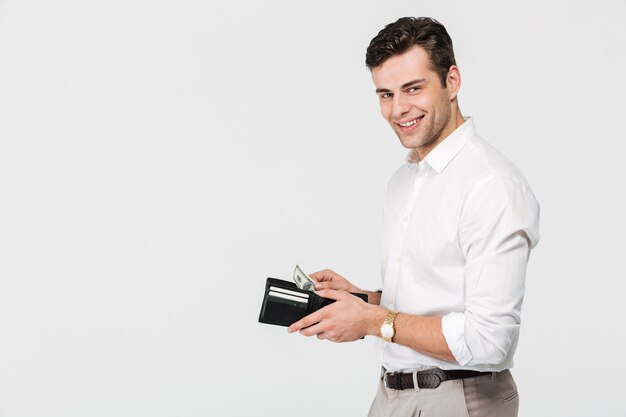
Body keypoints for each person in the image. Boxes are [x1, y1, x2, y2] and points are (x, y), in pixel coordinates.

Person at [287, 16, 540, 417]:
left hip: (460, 399)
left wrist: (372, 320)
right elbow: (432, 297)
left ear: (452, 82)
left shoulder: (491, 186)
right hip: (391, 396)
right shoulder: (404, 180)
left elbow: (490, 341)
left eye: (413, 88)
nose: (398, 109)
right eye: (385, 94)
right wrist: (362, 301)